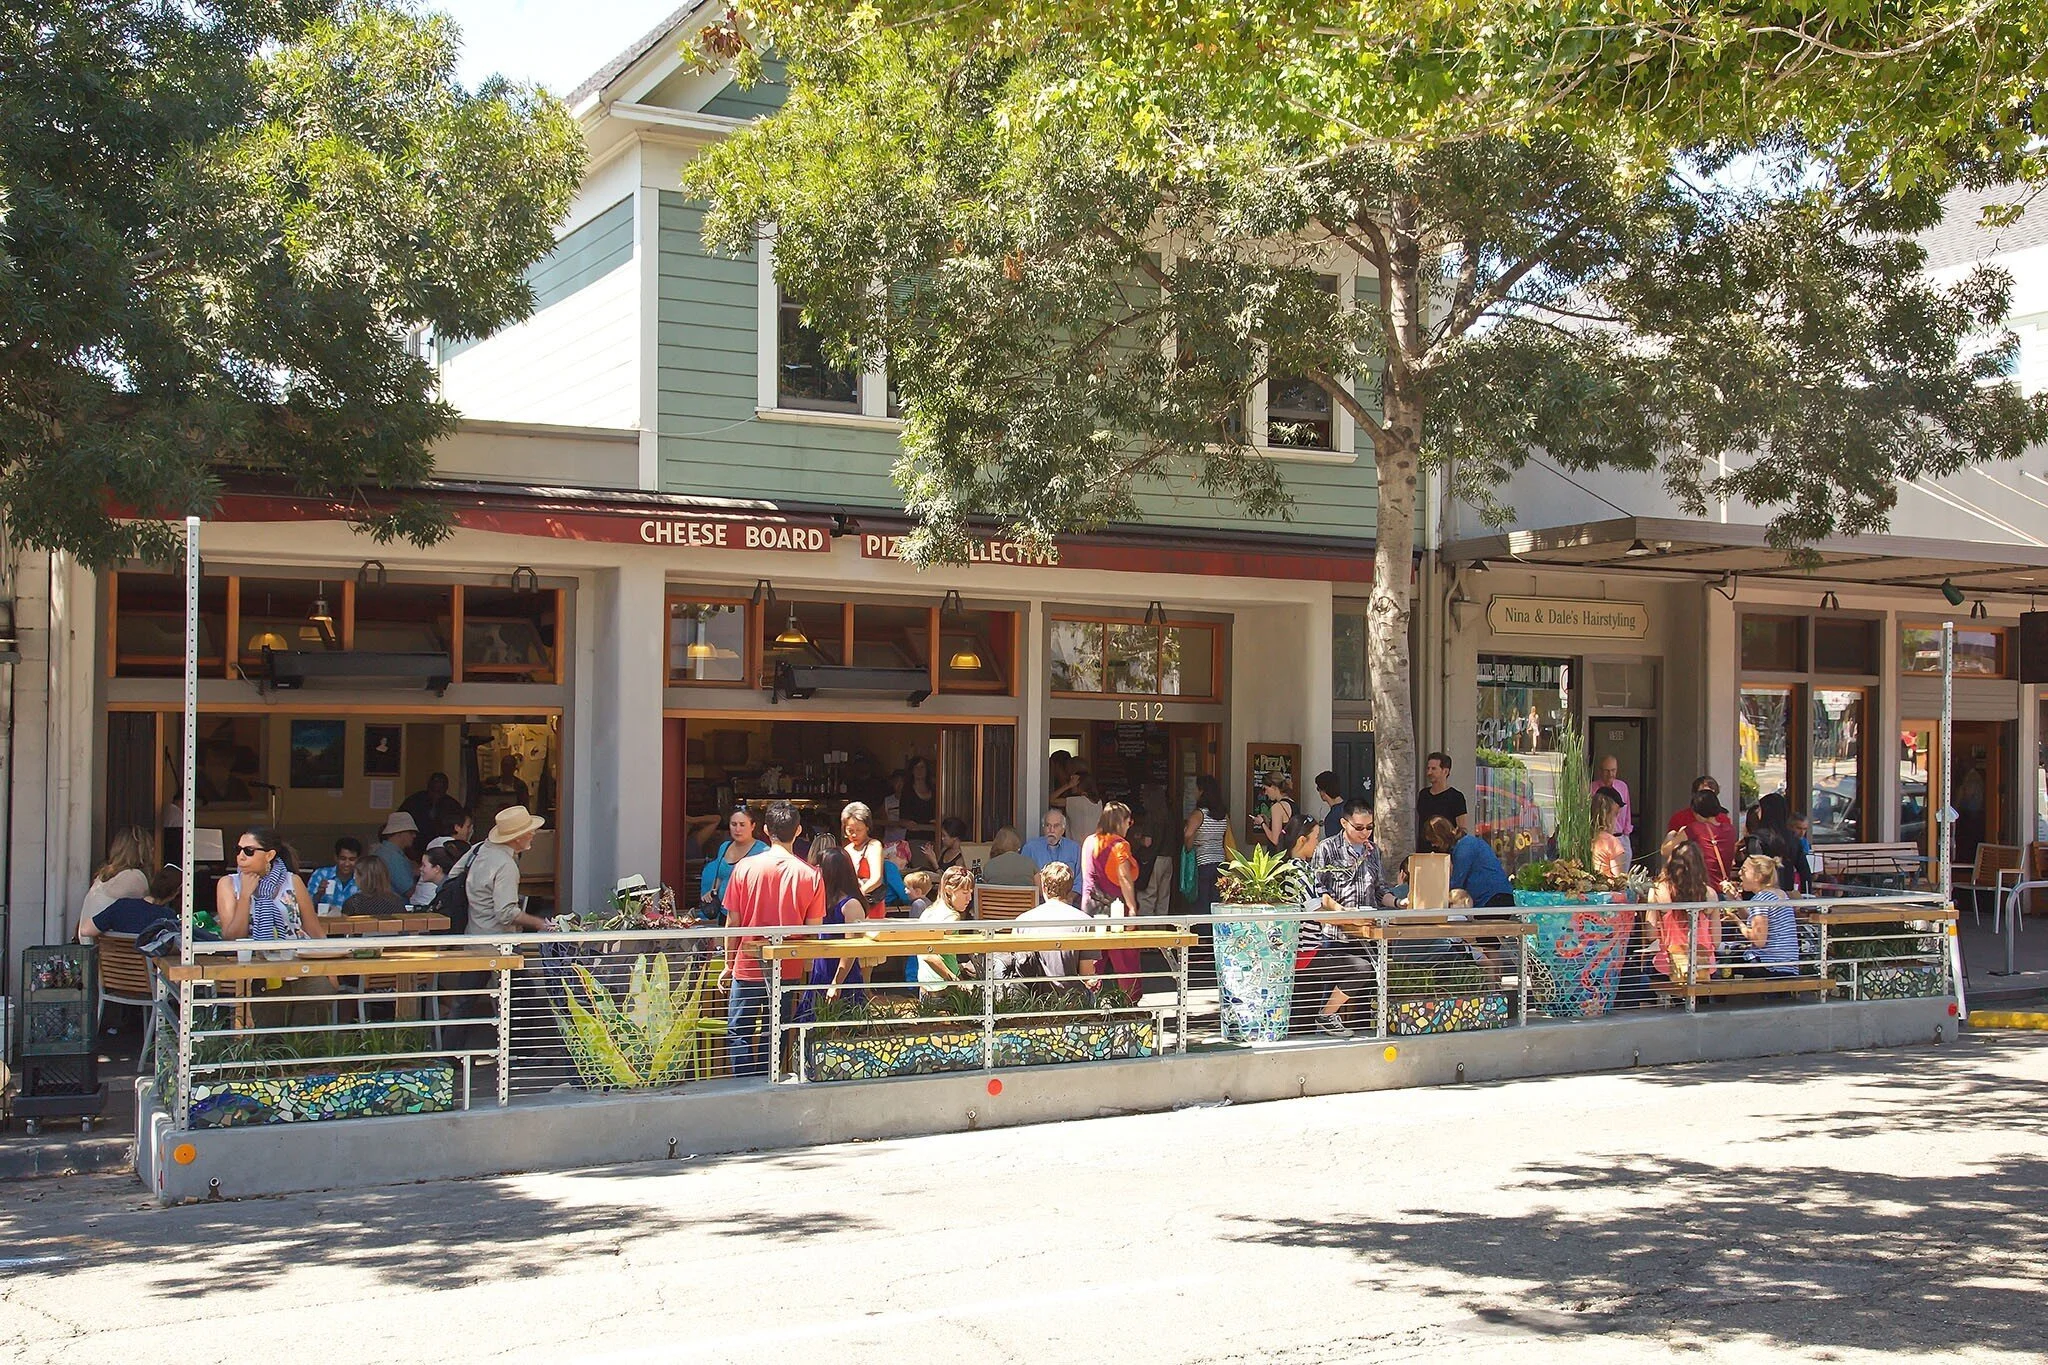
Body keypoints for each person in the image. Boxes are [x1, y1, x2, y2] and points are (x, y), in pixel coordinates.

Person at [720, 800, 827, 1076]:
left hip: (747, 963)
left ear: (765, 830)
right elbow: (812, 930)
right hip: (787, 965)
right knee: (776, 1032)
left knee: (739, 1031)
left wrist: (728, 963)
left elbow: (733, 922)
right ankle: (770, 1082)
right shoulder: (811, 875)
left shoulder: (744, 868)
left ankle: (745, 1085)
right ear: (799, 830)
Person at [1301, 799, 1386, 1037]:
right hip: (1336, 933)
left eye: (1369, 827)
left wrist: (1398, 902)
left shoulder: (1373, 850)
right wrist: (1343, 914)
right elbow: (1318, 891)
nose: (1365, 832)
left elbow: (1380, 889)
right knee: (1331, 988)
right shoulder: (1326, 849)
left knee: (1363, 989)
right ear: (1343, 823)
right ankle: (1322, 1030)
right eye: (1359, 827)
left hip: (1367, 933)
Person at [1079, 802, 1144, 999]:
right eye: (1128, 821)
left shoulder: (1089, 841)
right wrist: (1132, 908)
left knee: (1093, 961)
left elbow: (1086, 876)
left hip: (1090, 909)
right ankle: (1130, 1004)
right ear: (1120, 822)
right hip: (1116, 911)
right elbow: (1124, 877)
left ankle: (1088, 1002)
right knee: (1126, 961)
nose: (1129, 826)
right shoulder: (1119, 845)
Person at [993, 860, 1093, 988]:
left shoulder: (1023, 920)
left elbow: (1018, 964)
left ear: (1044, 888)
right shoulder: (1084, 921)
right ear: (1070, 888)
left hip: (1032, 999)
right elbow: (1087, 973)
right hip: (1072, 998)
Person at [217, 828, 325, 942]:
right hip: (251, 957)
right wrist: (244, 896)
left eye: (249, 851)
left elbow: (314, 930)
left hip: (292, 955)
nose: (241, 856)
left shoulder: (292, 881)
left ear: (269, 855)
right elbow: (231, 938)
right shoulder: (228, 883)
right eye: (238, 850)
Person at [461, 806, 554, 935]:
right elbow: (506, 914)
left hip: (473, 933)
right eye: (530, 831)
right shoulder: (506, 865)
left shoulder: (480, 849)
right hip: (496, 943)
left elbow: (453, 874)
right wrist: (542, 924)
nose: (534, 833)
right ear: (517, 837)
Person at [1647, 837, 1717, 983]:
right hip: (1703, 967)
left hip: (1667, 966)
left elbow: (1651, 934)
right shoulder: (1710, 894)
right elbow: (1716, 941)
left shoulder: (1657, 890)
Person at [809, 848, 870, 1003]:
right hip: (821, 969)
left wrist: (836, 983)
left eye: (820, 867)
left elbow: (851, 948)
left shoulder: (851, 905)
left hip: (842, 975)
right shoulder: (823, 900)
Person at [1726, 854, 1800, 977]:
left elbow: (1758, 940)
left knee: (1726, 964)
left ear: (1758, 877)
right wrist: (1735, 900)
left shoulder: (1761, 899)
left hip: (1769, 965)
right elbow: (1754, 919)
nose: (1739, 874)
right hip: (1788, 965)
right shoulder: (1779, 894)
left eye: (1744, 870)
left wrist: (1737, 921)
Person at [77, 827, 153, 941]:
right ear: (143, 851)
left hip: (93, 950)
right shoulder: (135, 877)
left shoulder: (103, 877)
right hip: (112, 953)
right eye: (150, 848)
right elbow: (144, 917)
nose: (153, 851)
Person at [1425, 815, 1513, 908]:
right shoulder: (1466, 843)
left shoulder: (1464, 848)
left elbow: (1457, 883)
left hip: (1493, 899)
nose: (1433, 845)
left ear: (1442, 837)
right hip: (1496, 896)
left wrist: (1432, 894)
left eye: (1434, 840)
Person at [79, 863, 182, 940]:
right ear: (175, 893)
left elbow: (85, 930)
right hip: (148, 969)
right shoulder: (168, 918)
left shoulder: (122, 906)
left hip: (114, 967)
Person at [914, 866, 976, 990]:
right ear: (948, 890)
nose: (969, 898)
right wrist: (956, 982)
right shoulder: (951, 917)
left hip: (925, 986)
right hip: (943, 988)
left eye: (971, 892)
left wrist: (960, 966)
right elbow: (928, 954)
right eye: (964, 893)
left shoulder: (929, 911)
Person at [1184, 774, 1233, 910]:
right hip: (1220, 862)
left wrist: (1188, 848)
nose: (1194, 792)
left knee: (1202, 902)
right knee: (1216, 902)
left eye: (1196, 789)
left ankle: (1203, 930)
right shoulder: (1223, 815)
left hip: (1203, 862)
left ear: (1202, 791)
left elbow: (1189, 834)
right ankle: (1214, 930)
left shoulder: (1199, 814)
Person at [1750, 791, 1812, 895]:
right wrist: (1806, 895)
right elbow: (1805, 872)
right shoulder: (1793, 839)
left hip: (1762, 895)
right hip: (1786, 893)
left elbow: (1755, 868)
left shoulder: (1757, 838)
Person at [1130, 783, 1176, 918]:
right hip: (1168, 859)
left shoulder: (1152, 815)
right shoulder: (1169, 814)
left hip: (1153, 860)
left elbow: (1148, 842)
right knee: (1163, 897)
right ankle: (1162, 930)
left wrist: (1137, 839)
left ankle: (1148, 930)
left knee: (1148, 896)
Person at [1682, 788, 1739, 890]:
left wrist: (1671, 835)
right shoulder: (1730, 829)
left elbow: (1666, 850)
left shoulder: (1694, 828)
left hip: (1704, 889)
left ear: (1697, 812)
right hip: (1723, 888)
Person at [1415, 752, 1470, 851]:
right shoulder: (1423, 795)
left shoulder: (1456, 797)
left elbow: (1462, 829)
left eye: (1434, 769)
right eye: (1428, 768)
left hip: (1446, 853)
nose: (1429, 772)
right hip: (1423, 852)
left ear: (1445, 771)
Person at [399, 772, 466, 844]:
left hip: (444, 846)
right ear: (428, 786)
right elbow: (401, 822)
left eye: (440, 791)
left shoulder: (453, 806)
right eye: (433, 790)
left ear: (446, 788)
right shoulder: (414, 801)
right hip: (416, 845)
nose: (436, 795)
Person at [840, 801, 887, 901]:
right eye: (850, 830)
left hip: (869, 901)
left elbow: (877, 879)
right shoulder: (846, 849)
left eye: (859, 830)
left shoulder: (874, 846)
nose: (854, 835)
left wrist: (857, 895)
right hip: (850, 901)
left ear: (867, 828)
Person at [306, 837, 363, 917]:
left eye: (351, 859)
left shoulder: (362, 879)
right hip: (324, 924)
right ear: (336, 858)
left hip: (352, 925)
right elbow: (306, 907)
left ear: (358, 860)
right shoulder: (321, 874)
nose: (347, 864)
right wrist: (319, 894)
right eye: (343, 859)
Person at [1022, 808, 1082, 880]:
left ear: (1063, 829)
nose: (1051, 830)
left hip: (1068, 891)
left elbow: (1079, 880)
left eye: (1056, 826)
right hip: (1039, 891)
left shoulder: (1074, 849)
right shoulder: (1030, 848)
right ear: (1043, 827)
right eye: (1048, 825)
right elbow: (1024, 878)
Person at [368, 812, 419, 897]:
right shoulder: (393, 857)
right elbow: (410, 891)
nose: (414, 836)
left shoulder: (384, 852)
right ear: (399, 833)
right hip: (396, 907)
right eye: (411, 832)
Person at [340, 855, 406, 919]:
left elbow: (343, 928)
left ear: (362, 877)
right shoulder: (397, 902)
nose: (354, 878)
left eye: (355, 874)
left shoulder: (353, 903)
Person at [1591, 755, 1633, 846]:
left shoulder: (1622, 787)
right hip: (1600, 839)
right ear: (1600, 771)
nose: (1610, 774)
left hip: (1620, 838)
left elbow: (1627, 812)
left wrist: (1626, 835)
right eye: (1607, 771)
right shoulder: (1592, 789)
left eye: (1613, 770)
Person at [1591, 787, 1630, 879]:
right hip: (1607, 890)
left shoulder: (1585, 838)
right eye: (1616, 814)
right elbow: (1618, 877)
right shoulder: (1611, 841)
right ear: (1607, 815)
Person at [1256, 773, 1299, 854]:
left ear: (1273, 787)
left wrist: (1262, 823)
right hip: (1291, 852)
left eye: (1265, 789)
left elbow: (1275, 840)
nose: (1265, 793)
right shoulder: (1293, 804)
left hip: (1278, 855)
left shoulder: (1277, 807)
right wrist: (1268, 822)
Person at [899, 755, 937, 829]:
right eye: (916, 767)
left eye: (922, 767)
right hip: (914, 837)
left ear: (927, 770)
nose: (919, 770)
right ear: (912, 770)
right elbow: (902, 818)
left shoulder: (934, 789)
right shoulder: (907, 791)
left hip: (933, 834)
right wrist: (907, 823)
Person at [1064, 770, 1103, 842]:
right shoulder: (1099, 802)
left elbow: (1051, 799)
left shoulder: (1077, 802)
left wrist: (1068, 785)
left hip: (1076, 847)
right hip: (1092, 846)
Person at [1315, 770, 1345, 841]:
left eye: (1318, 789)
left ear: (1323, 792)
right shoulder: (1352, 808)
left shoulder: (1331, 818)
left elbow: (1333, 846)